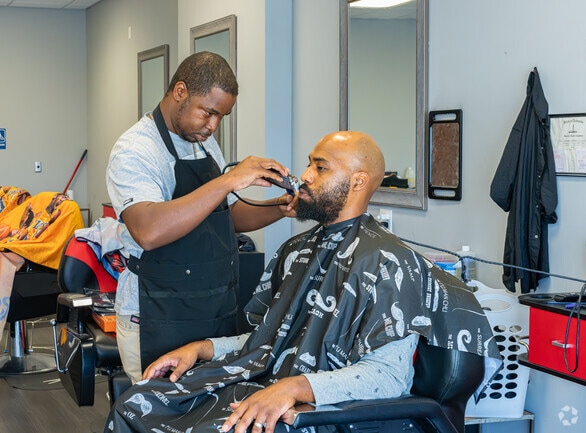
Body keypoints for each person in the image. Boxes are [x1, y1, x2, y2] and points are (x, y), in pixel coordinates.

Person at [104, 131, 502, 433]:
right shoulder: (297, 250)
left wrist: (295, 387)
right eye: (310, 164)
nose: (305, 176)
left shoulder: (391, 265)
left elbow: (389, 376)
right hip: (267, 384)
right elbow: (273, 338)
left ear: (359, 182)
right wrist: (202, 349)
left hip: (322, 413)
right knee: (139, 401)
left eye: (321, 168)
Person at [106, 51, 298, 383]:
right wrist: (228, 179)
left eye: (221, 116)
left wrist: (278, 208)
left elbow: (224, 219)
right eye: (208, 113)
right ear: (180, 92)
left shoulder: (203, 144)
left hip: (212, 315)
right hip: (158, 315)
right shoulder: (136, 150)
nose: (213, 126)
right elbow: (148, 230)